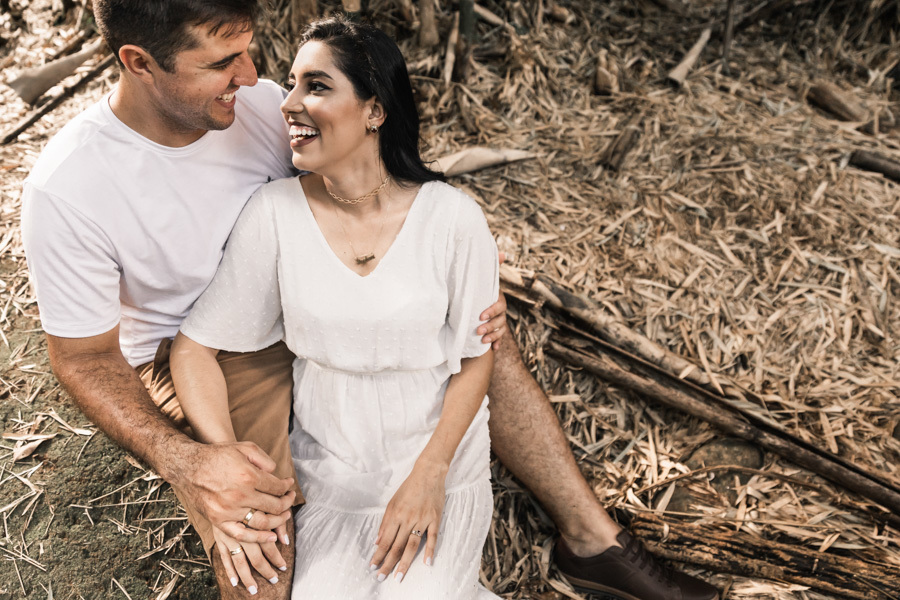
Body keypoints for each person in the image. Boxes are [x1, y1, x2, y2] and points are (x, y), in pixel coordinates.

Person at [19, 1, 718, 599]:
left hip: (303, 301)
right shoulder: (71, 186)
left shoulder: (259, 107)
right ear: (139, 63)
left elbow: (356, 190)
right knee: (258, 544)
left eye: (249, 52)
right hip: (202, 353)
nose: (251, 78)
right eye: (219, 63)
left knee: (477, 337)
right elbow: (84, 359)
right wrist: (191, 460)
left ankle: (593, 542)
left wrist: (433, 272)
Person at [170, 18, 501, 599]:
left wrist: (431, 473)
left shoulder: (452, 218)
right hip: (333, 479)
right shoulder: (274, 213)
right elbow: (195, 348)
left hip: (438, 468)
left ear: (374, 110)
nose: (289, 104)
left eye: (316, 86)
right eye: (292, 85)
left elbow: (477, 358)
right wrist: (225, 457)